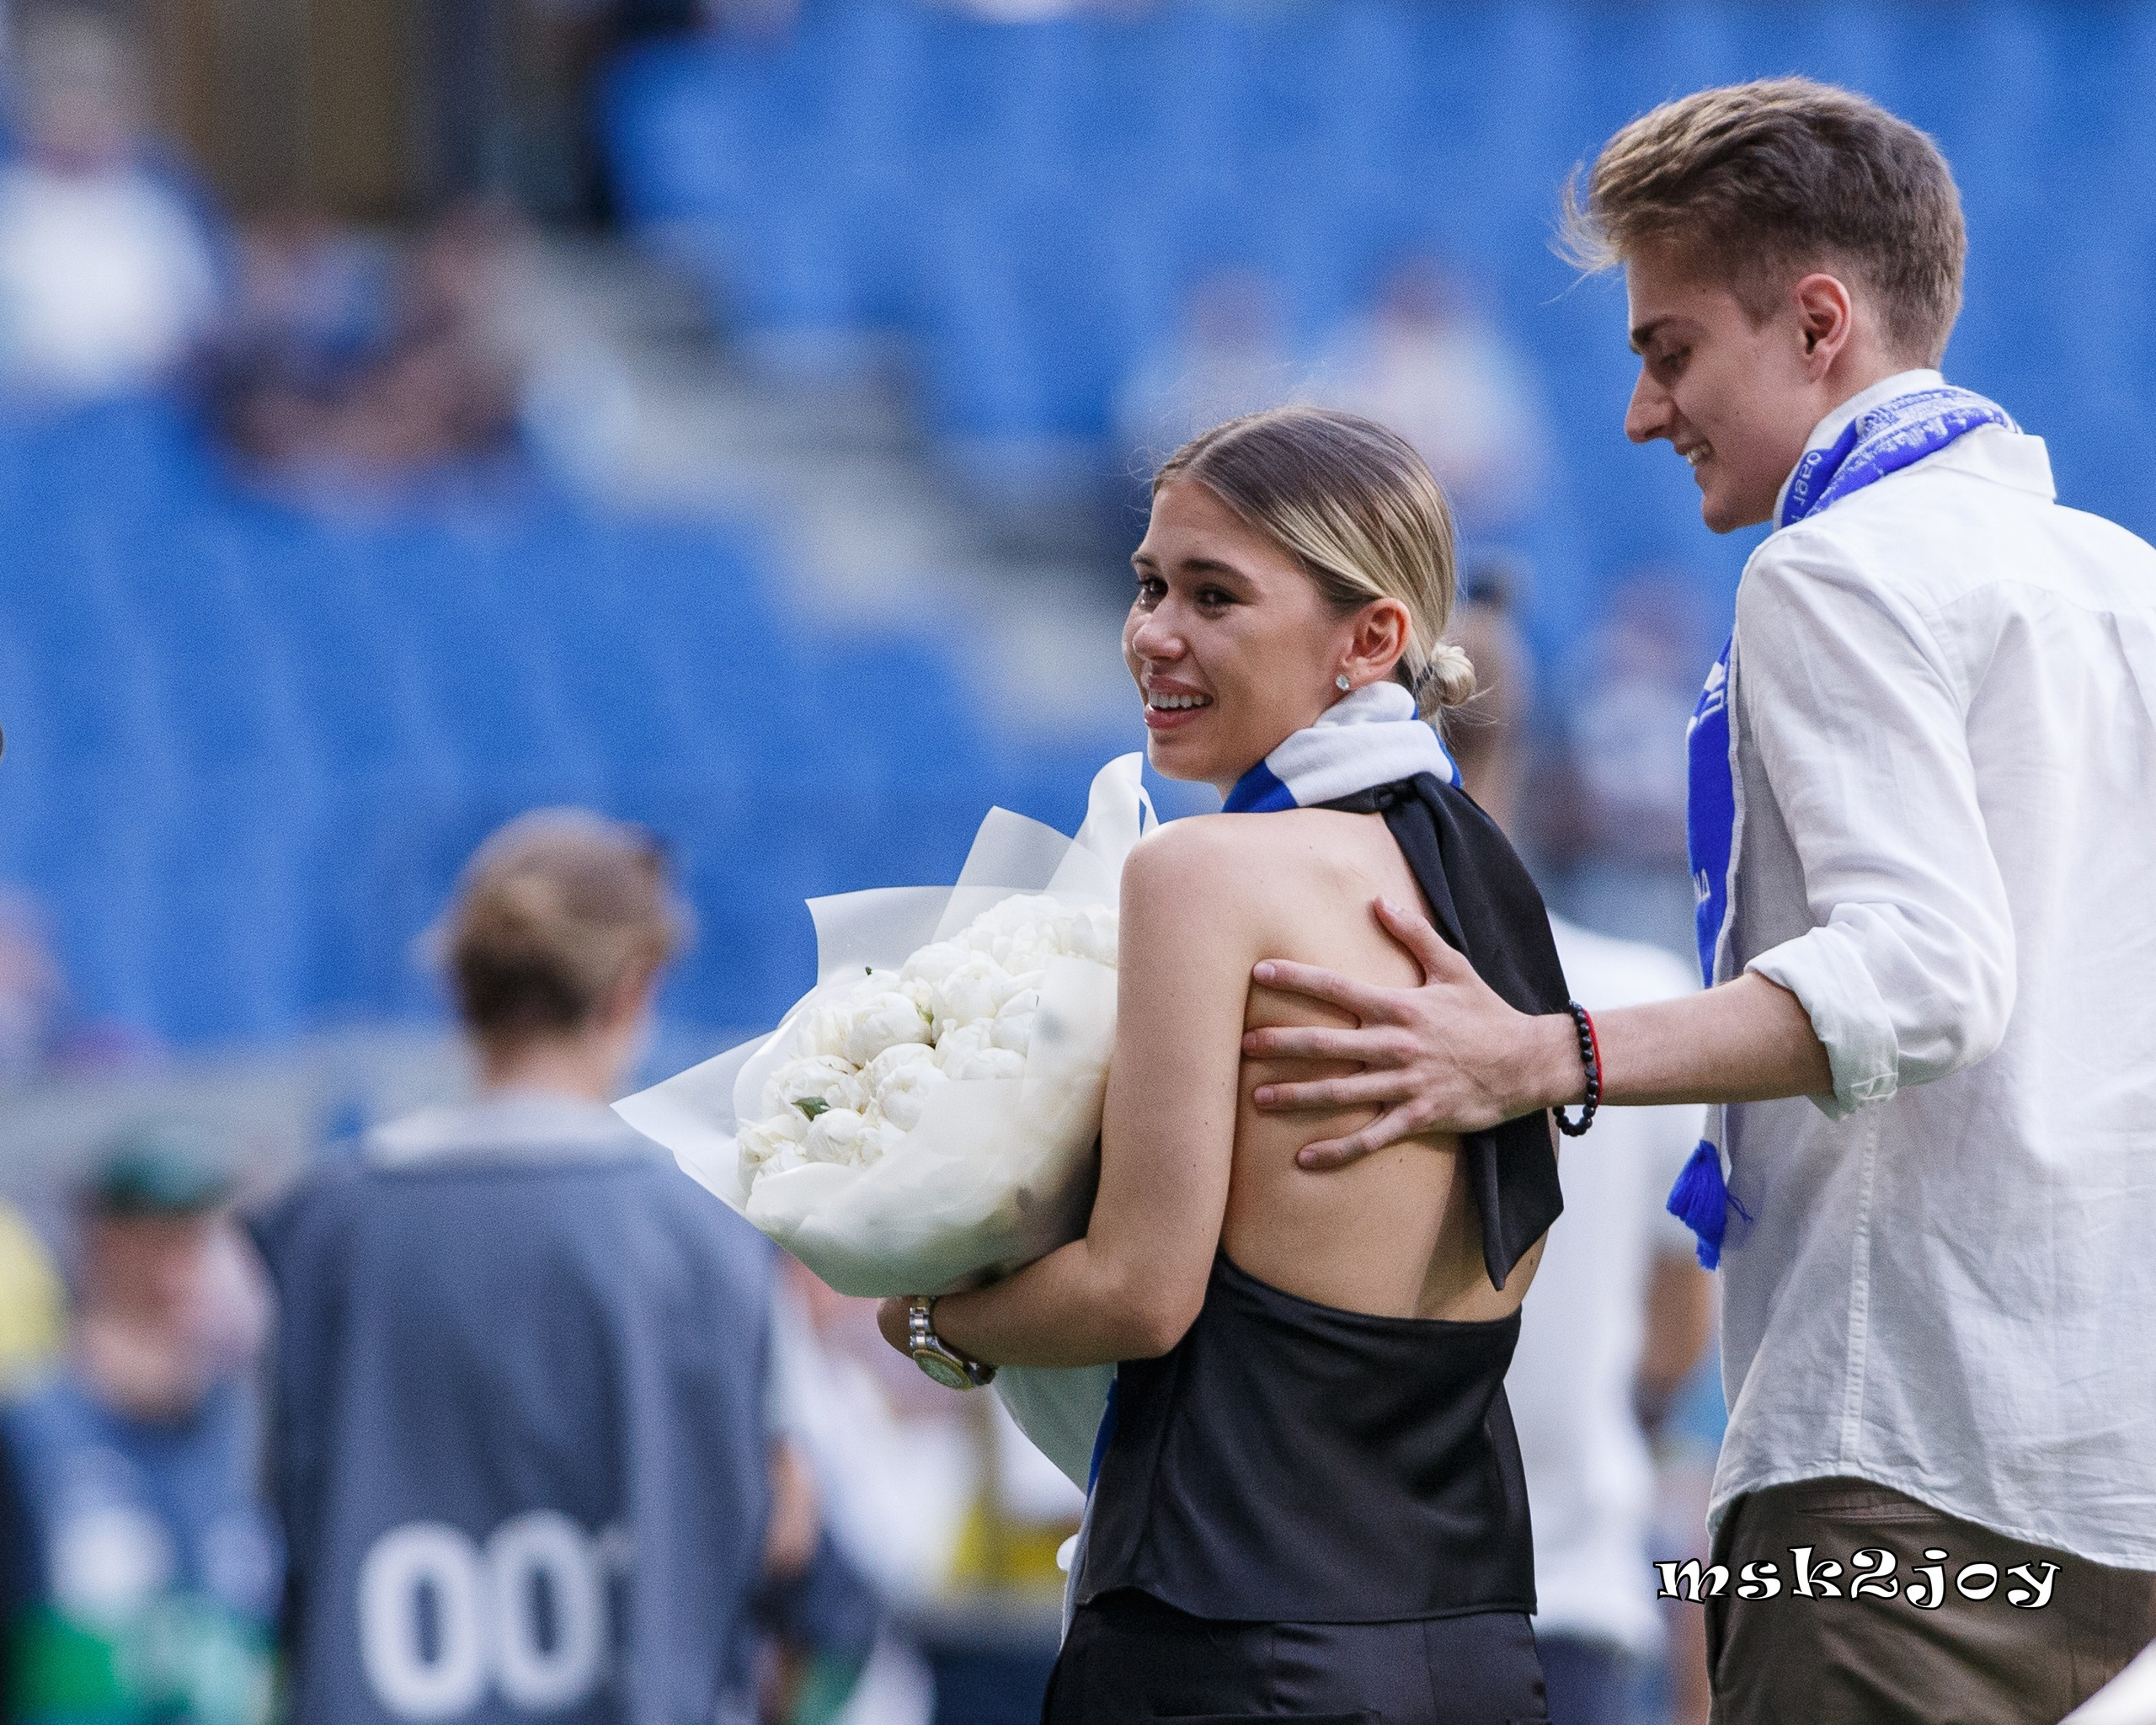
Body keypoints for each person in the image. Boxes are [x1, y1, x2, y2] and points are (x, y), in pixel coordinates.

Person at [1245, 79, 2156, 1723]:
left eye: (1666, 350)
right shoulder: (2122, 581)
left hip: (1899, 1469)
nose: (1636, 413)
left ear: (1814, 325)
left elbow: (1927, 973)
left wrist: (1536, 1056)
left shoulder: (1833, 565)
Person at [875, 406, 1578, 1723]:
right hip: (1475, 1645)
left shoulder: (1204, 872)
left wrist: (927, 1315)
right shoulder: (1495, 882)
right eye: (1148, 585)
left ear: (1369, 640)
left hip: (1230, 1639)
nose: (1154, 633)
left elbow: (1145, 1292)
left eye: (1213, 595)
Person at [248, 812, 787, 1725]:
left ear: (462, 983)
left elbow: (280, 1508)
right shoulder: (707, 1228)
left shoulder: (323, 1222)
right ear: (634, 983)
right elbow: (777, 1526)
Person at [1448, 591, 1715, 1725]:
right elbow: (1674, 1333)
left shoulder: (1253, 984)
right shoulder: (1646, 1005)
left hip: (1321, 1611)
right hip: (1570, 1602)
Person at [0, 1127, 280, 1725]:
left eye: (195, 1238)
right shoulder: (30, 1434)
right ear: (100, 1243)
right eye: (155, 1240)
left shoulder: (246, 1430)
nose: (177, 1270)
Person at [0, 8, 221, 402]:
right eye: (63, 94)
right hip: (24, 422)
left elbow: (200, 315)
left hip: (142, 417)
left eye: (100, 95)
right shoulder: (13, 203)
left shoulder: (159, 202)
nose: (82, 114)